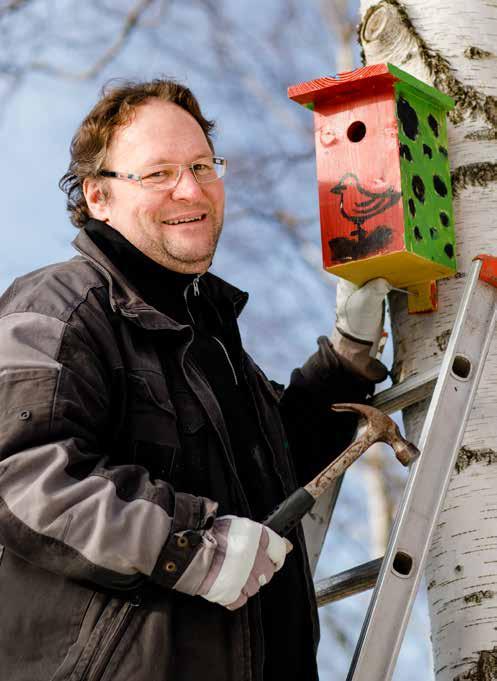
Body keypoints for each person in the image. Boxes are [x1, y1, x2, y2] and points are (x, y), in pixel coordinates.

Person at [0, 79, 390, 681]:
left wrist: (349, 352)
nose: (191, 188)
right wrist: (189, 544)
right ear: (98, 196)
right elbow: (26, 475)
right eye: (158, 173)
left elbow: (284, 465)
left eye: (203, 165)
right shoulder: (58, 309)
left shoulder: (209, 337)